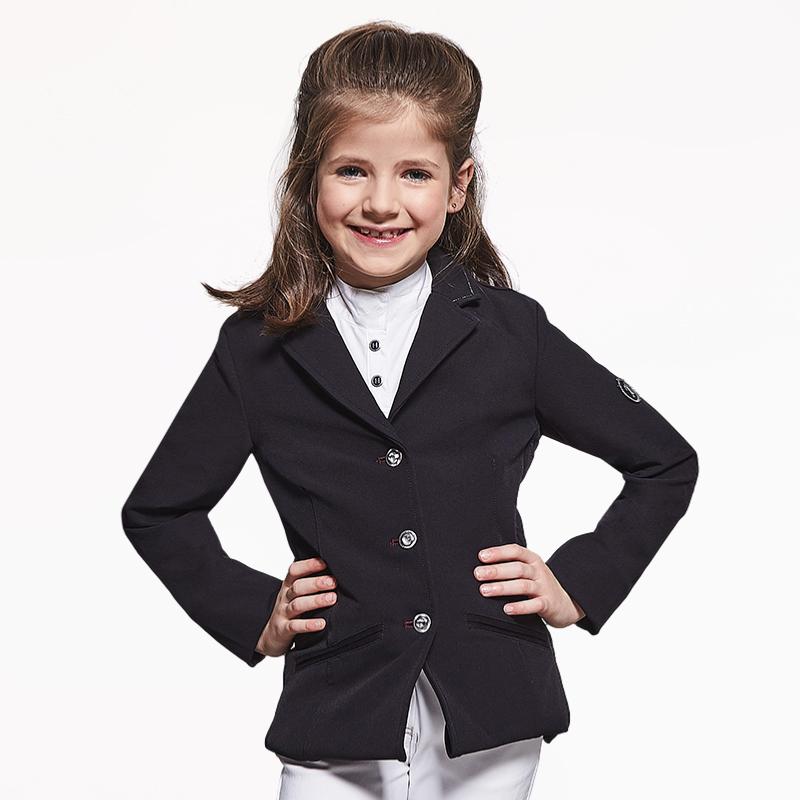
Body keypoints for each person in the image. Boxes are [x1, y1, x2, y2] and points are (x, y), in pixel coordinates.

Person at [121, 21, 699, 800]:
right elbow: (159, 511)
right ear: (309, 179)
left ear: (458, 186)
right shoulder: (255, 348)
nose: (381, 203)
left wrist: (579, 581)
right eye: (352, 170)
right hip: (338, 709)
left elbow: (665, 461)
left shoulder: (512, 333)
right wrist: (255, 612)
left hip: (492, 704)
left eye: (415, 174)